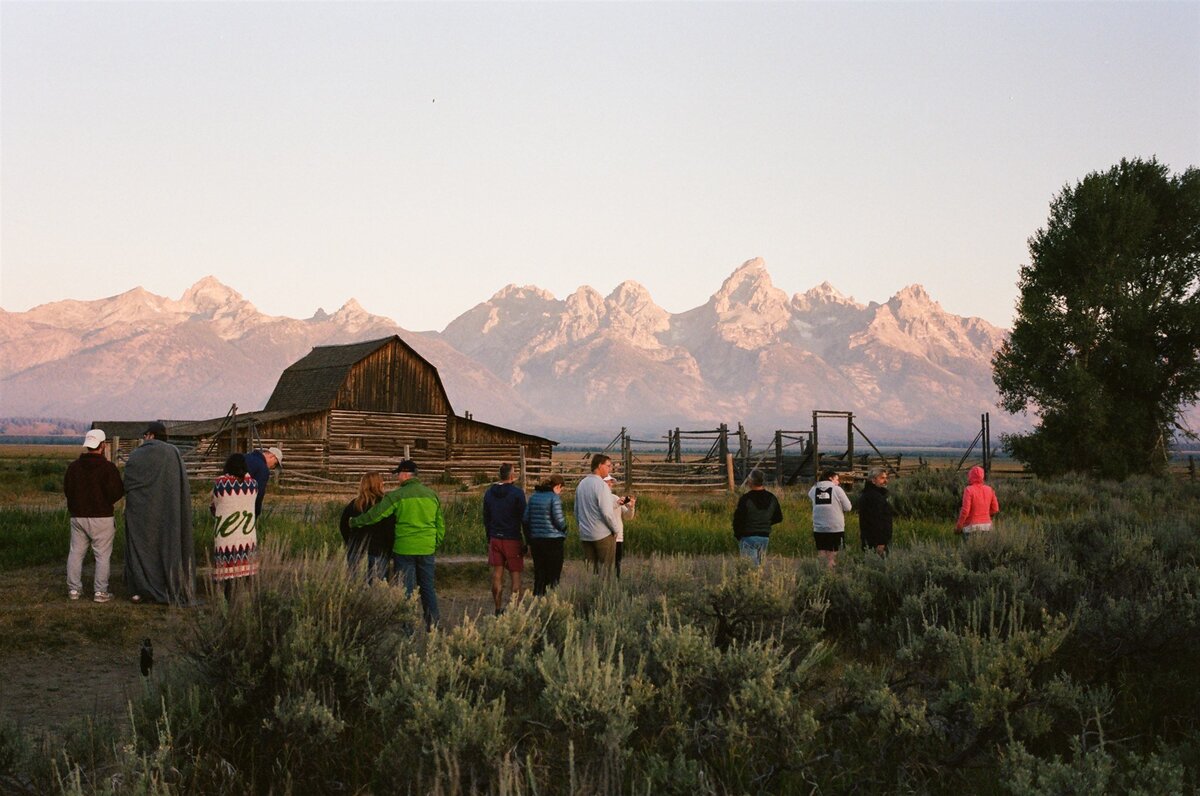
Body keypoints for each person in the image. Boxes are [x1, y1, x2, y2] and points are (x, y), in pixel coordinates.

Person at [350, 459, 445, 630]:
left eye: (398, 474)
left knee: (406, 590)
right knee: (428, 588)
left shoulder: (397, 495)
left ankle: (408, 629)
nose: (397, 478)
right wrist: (434, 543)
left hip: (404, 548)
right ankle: (433, 625)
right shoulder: (432, 495)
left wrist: (355, 522)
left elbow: (375, 514)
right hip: (426, 548)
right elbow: (440, 525)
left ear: (405, 474)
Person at [123, 422, 195, 605]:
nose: (144, 438)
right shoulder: (172, 453)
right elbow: (180, 484)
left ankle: (139, 588)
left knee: (140, 547)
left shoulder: (136, 454)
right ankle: (167, 584)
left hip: (140, 512)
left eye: (146, 434)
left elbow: (129, 482)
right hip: (168, 512)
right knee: (166, 546)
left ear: (151, 435)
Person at [64, 429, 124, 602]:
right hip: (102, 516)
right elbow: (117, 492)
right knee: (102, 555)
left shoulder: (73, 467)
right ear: (103, 445)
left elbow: (68, 490)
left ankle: (74, 590)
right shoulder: (108, 468)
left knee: (76, 553)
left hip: (78, 516)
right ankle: (100, 592)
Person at [211, 453, 259, 596]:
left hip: (226, 535)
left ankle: (226, 601)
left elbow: (214, 507)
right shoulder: (253, 485)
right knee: (245, 574)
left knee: (227, 576)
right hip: (246, 536)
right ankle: (244, 602)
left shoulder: (220, 484)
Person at [483, 463, 527, 615]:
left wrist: (489, 537)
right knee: (515, 574)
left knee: (497, 573)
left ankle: (497, 608)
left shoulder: (489, 493)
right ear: (511, 476)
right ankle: (515, 610)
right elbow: (524, 518)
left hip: (495, 537)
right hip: (512, 538)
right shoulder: (517, 494)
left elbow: (486, 518)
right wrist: (526, 540)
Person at [339, 472, 395, 583]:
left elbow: (343, 526)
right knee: (378, 589)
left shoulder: (354, 504)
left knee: (357, 587)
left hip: (356, 551)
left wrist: (350, 542)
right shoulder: (384, 506)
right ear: (379, 484)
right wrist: (390, 550)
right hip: (379, 551)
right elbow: (390, 530)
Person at [524, 474, 569, 595]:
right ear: (557, 486)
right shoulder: (554, 498)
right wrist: (565, 530)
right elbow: (559, 520)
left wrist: (529, 538)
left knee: (539, 573)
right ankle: (551, 600)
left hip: (536, 541)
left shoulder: (533, 497)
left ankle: (537, 597)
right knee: (553, 575)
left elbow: (525, 519)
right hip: (553, 541)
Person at [574, 454, 619, 576]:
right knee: (605, 571)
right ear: (600, 465)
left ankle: (590, 593)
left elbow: (576, 511)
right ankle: (603, 594)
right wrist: (615, 529)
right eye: (608, 466)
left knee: (590, 571)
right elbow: (607, 512)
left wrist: (581, 528)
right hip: (602, 534)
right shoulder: (601, 485)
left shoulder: (581, 484)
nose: (610, 469)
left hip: (586, 534)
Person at [732, 469, 782, 566]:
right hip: (764, 536)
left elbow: (738, 520)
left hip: (748, 536)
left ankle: (751, 581)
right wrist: (765, 522)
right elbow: (778, 517)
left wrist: (738, 535)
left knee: (749, 568)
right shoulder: (772, 498)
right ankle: (758, 580)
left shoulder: (746, 499)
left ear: (750, 481)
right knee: (759, 566)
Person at [808, 468, 852, 570]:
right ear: (830, 478)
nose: (838, 482)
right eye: (836, 479)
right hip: (835, 528)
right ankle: (830, 577)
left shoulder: (814, 489)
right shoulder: (837, 489)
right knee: (833, 556)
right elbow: (848, 507)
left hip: (819, 528)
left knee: (822, 554)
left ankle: (821, 575)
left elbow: (810, 495)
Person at [603, 474, 636, 578]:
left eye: (611, 482)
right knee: (604, 564)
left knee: (617, 564)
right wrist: (617, 503)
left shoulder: (615, 497)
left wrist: (631, 507)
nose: (610, 484)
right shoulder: (599, 499)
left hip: (618, 537)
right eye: (607, 482)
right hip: (605, 536)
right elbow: (604, 512)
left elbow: (627, 517)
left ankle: (616, 583)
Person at [955, 465, 1000, 539]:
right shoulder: (989, 489)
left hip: (971, 527)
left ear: (970, 476)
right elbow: (995, 509)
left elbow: (965, 511)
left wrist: (959, 527)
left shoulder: (969, 490)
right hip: (987, 527)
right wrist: (984, 515)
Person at [858, 467, 894, 557]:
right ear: (873, 480)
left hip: (872, 539)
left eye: (886, 478)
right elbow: (876, 521)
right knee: (878, 566)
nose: (885, 481)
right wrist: (881, 542)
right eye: (882, 478)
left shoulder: (873, 495)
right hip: (875, 542)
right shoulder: (874, 498)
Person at [244, 446, 283, 518]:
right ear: (272, 456)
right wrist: (256, 513)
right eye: (275, 464)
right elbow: (258, 493)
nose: (273, 467)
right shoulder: (263, 469)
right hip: (244, 506)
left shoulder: (245, 457)